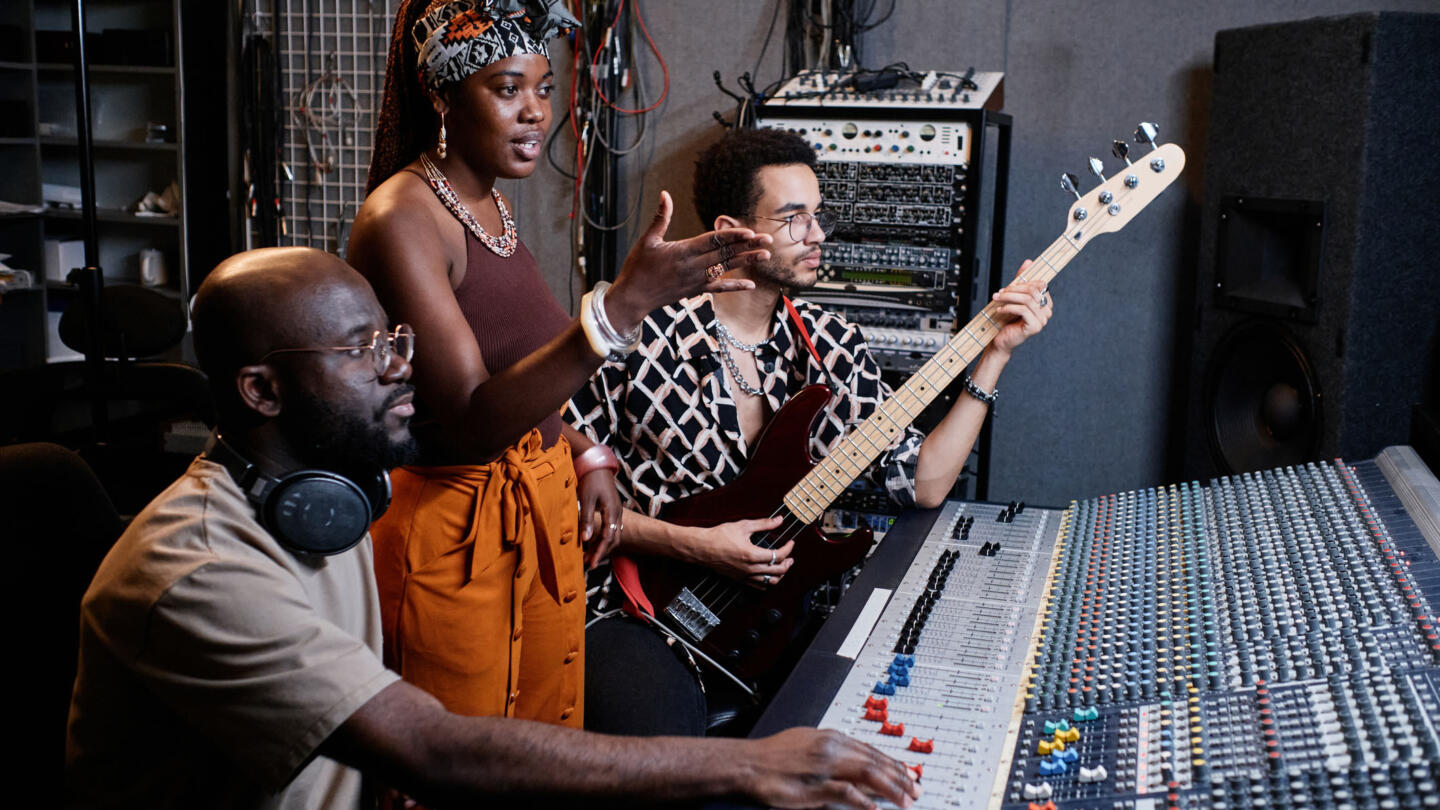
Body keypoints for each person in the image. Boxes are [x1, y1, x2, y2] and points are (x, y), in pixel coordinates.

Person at [64, 246, 922, 810]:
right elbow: (428, 747)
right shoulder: (198, 567)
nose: (405, 368)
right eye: (364, 352)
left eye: (395, 340)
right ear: (260, 392)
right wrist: (751, 764)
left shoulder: (337, 499)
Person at [346, 0, 771, 729]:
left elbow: (518, 380)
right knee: (465, 766)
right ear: (444, 95)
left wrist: (587, 454)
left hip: (531, 521)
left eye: (544, 89)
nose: (536, 112)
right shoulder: (403, 217)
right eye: (508, 89)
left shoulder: (491, 207)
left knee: (540, 757)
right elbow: (472, 417)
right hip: (454, 543)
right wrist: (619, 311)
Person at [565, 127, 1054, 734]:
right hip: (640, 611)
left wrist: (995, 356)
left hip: (776, 617)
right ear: (730, 231)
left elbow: (922, 481)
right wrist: (694, 545)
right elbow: (561, 497)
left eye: (817, 216)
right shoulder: (639, 333)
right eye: (794, 218)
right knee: (656, 742)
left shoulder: (831, 344)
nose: (817, 235)